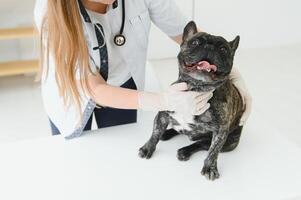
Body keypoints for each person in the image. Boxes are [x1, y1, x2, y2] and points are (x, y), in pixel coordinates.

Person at [33, 0, 252, 139]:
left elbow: (188, 35)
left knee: (121, 148)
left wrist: (233, 74)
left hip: (123, 80)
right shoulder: (49, 12)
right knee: (76, 158)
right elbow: (95, 88)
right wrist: (162, 101)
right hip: (72, 93)